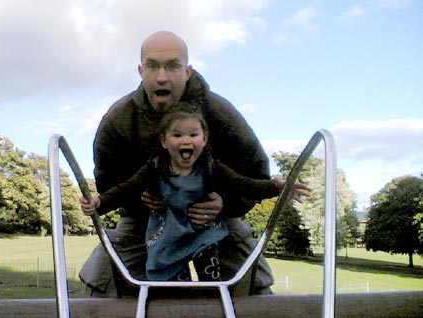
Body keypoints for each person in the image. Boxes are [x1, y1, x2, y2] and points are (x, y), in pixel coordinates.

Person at [79, 30, 306, 297]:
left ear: (187, 71)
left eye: (173, 66)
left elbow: (253, 174)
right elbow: (108, 182)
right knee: (102, 283)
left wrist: (224, 204)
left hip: (213, 219)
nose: (161, 76)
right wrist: (140, 199)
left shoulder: (221, 113)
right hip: (144, 221)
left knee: (252, 285)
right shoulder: (119, 119)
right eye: (152, 66)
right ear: (141, 71)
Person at [81, 105, 305, 283]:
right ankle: (179, 311)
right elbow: (127, 188)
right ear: (164, 141)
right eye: (177, 135)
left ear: (204, 139)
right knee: (174, 282)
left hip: (202, 233)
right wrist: (99, 203)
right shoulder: (156, 168)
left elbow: (243, 185)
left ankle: (213, 300)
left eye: (193, 134)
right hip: (169, 233)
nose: (186, 140)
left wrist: (277, 187)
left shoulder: (210, 167)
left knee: (210, 273)